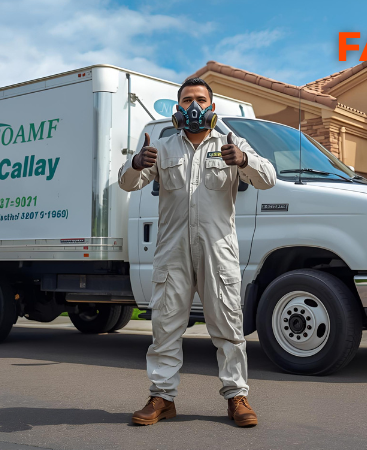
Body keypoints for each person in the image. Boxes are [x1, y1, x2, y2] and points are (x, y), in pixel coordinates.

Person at [118, 78, 276, 426]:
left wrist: (245, 159)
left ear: (212, 108)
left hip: (217, 253)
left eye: (200, 100)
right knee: (165, 326)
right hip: (172, 253)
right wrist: (136, 163)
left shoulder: (231, 144)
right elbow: (126, 184)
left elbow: (268, 179)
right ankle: (162, 397)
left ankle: (237, 397)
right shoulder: (161, 147)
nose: (194, 106)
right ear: (177, 108)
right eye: (187, 100)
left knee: (228, 327)